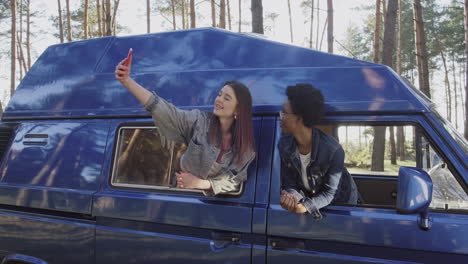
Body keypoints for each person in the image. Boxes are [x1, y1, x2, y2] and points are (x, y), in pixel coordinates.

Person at [115, 55, 255, 196]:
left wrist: (201, 183)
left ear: (238, 109)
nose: (218, 100)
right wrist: (127, 81)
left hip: (214, 210)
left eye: (226, 98)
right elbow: (164, 110)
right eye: (219, 94)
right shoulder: (200, 121)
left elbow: (235, 180)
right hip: (182, 197)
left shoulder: (246, 149)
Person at [278, 83, 357, 219]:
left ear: (299, 118)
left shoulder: (333, 151)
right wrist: (292, 198)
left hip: (342, 203)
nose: (280, 117)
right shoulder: (284, 145)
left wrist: (305, 207)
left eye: (284, 113)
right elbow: (289, 182)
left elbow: (329, 194)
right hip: (312, 198)